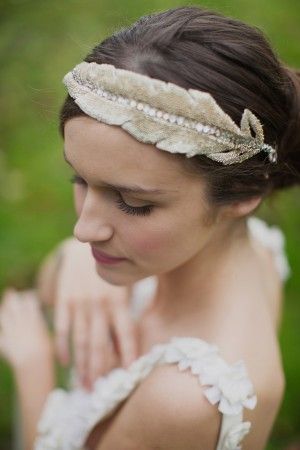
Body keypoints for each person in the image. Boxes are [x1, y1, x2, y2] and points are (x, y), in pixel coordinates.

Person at [0, 5, 299, 450]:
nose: (83, 232)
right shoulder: (238, 247)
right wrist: (78, 265)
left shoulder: (185, 400)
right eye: (79, 180)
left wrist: (33, 370)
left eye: (133, 203)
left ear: (243, 194)